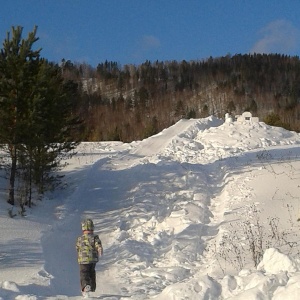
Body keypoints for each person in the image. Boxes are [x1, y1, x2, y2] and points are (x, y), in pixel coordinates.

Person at [76, 218, 103, 298]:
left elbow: (77, 247)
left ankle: (86, 286)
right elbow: (98, 244)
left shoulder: (80, 238)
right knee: (91, 272)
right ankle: (92, 287)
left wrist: (79, 252)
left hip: (83, 259)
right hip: (92, 259)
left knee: (84, 273)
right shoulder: (95, 237)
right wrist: (99, 249)